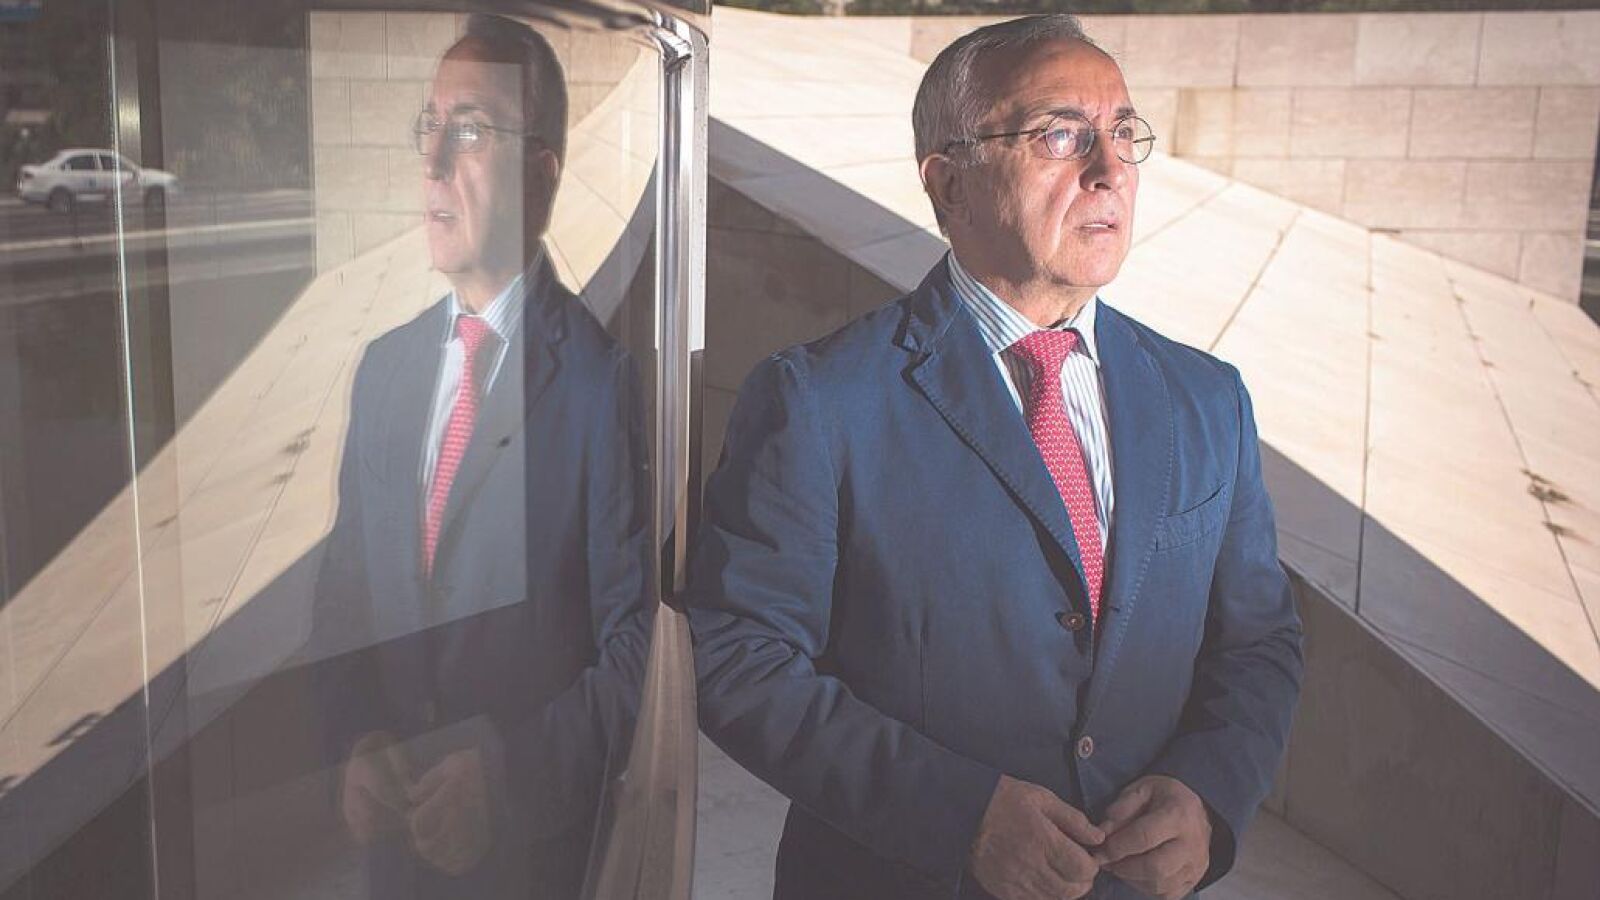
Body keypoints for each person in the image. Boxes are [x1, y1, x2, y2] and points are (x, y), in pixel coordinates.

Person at [687, 15, 1303, 900]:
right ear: (951, 184)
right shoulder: (818, 401)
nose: (1109, 168)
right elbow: (738, 656)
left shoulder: (1207, 400)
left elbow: (1258, 642)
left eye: (1123, 131)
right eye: (1060, 134)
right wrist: (957, 814)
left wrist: (1210, 797)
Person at [310, 14, 652, 898]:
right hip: (395, 855)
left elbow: (637, 652)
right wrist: (353, 738)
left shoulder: (600, 384)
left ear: (541, 171)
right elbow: (345, 594)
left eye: (467, 131)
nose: (431, 163)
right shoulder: (384, 370)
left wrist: (506, 776)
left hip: (526, 858)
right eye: (428, 126)